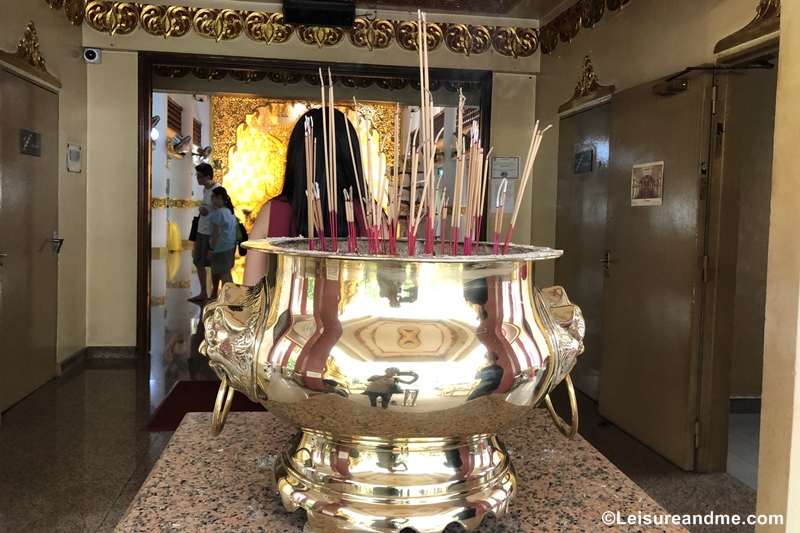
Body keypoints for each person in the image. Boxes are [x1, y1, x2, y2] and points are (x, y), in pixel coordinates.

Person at [243, 108, 367, 286]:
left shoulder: (271, 212)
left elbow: (251, 293)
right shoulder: (370, 215)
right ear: (351, 155)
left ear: (296, 156)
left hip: (284, 314)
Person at [189, 163, 220, 301]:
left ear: (208, 177)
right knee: (198, 261)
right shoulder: (205, 190)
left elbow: (222, 211)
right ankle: (203, 292)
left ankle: (214, 293)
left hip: (211, 232)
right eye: (197, 176)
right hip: (201, 230)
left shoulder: (217, 191)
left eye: (200, 177)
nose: (198, 179)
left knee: (213, 264)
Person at [207, 186, 238, 300]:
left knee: (223, 274)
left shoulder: (219, 213)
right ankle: (214, 294)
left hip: (221, 247)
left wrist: (211, 249)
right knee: (219, 271)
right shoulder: (230, 212)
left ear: (219, 197)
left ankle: (230, 298)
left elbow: (217, 234)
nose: (211, 199)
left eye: (212, 197)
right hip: (230, 246)